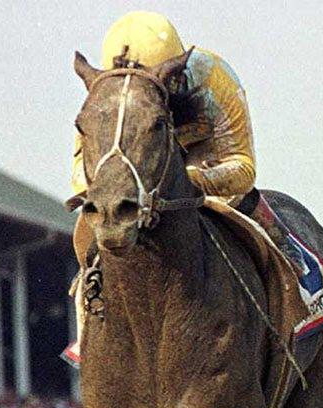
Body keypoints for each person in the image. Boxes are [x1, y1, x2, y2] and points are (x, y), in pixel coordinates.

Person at [69, 11, 293, 266]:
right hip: (137, 179)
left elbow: (243, 168)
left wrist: (183, 181)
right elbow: (79, 178)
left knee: (245, 202)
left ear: (176, 71)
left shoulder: (213, 77)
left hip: (206, 160)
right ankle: (88, 295)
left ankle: (298, 274)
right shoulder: (104, 103)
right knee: (86, 232)